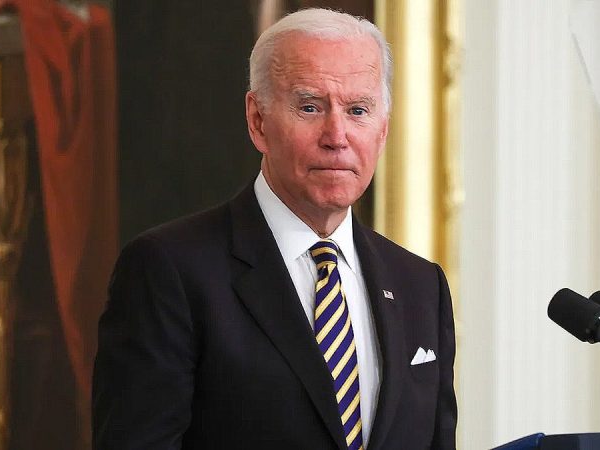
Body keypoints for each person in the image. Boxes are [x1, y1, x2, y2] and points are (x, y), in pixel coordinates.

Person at [92, 8, 456, 450]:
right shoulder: (169, 270)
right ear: (258, 120)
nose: (336, 135)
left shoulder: (421, 286)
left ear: (382, 131)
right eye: (310, 107)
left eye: (358, 110)